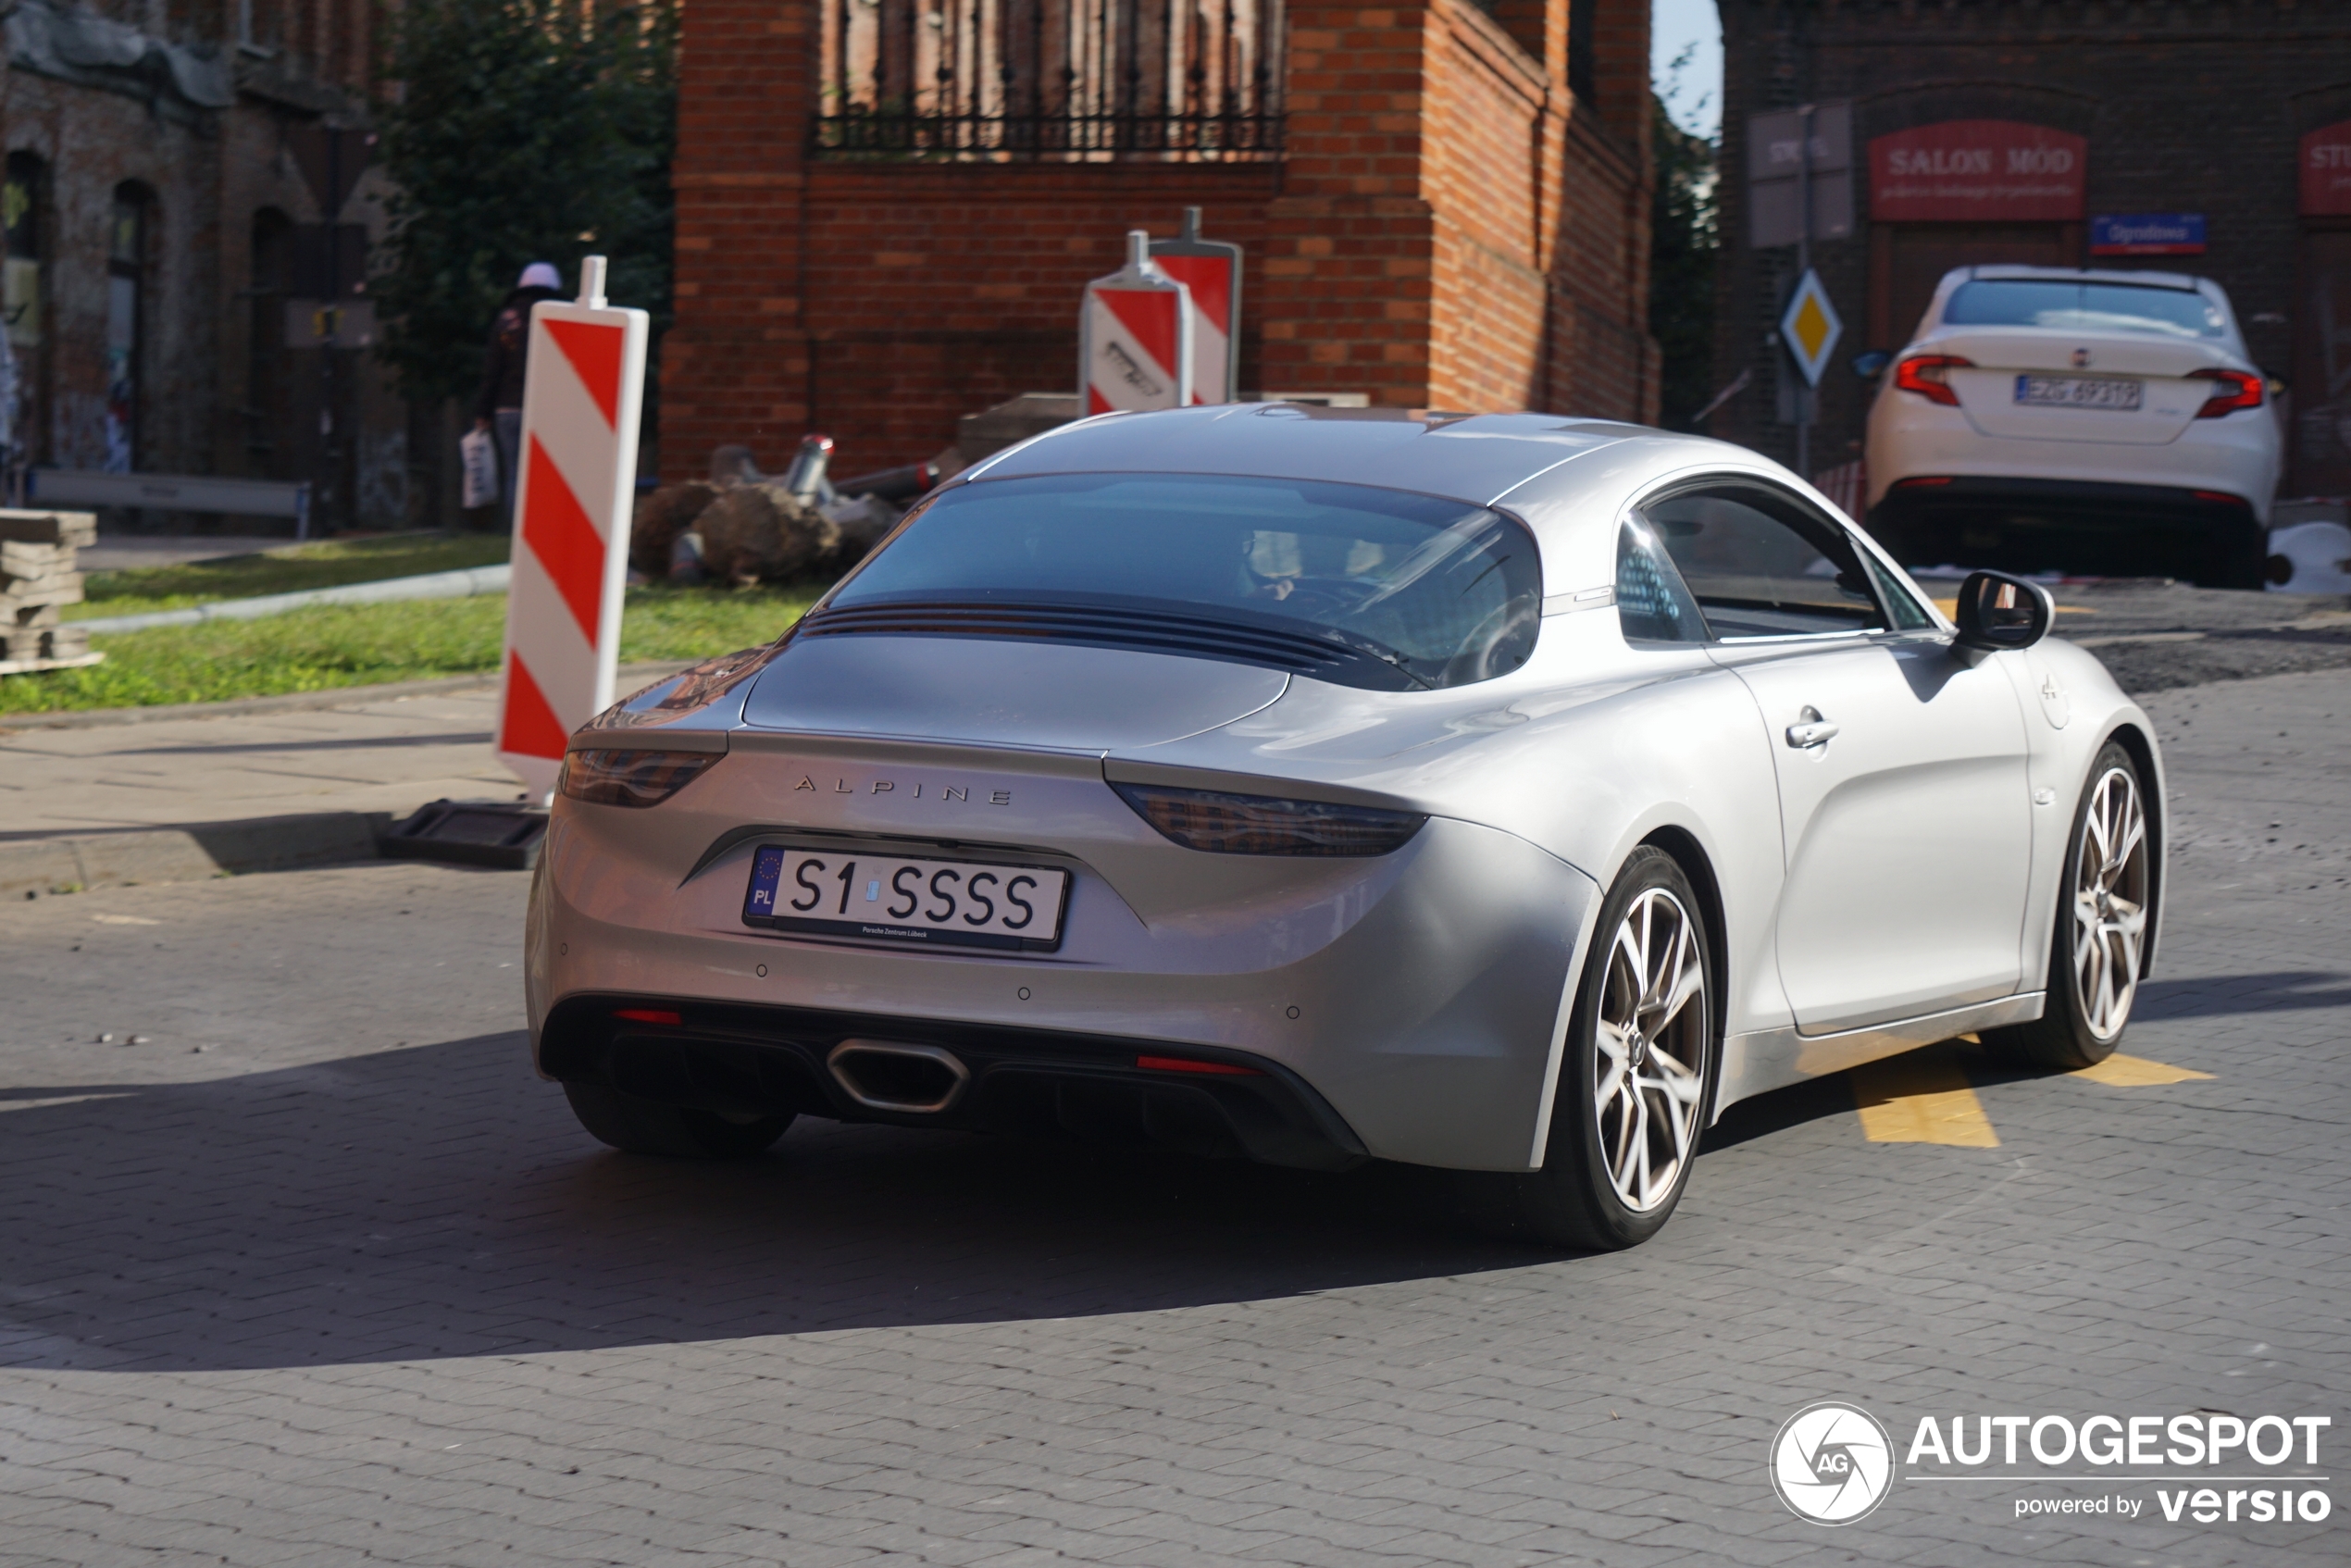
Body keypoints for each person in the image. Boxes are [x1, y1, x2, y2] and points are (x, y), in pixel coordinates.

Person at [473, 262, 565, 528]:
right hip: (544, 407)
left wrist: (482, 412)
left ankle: (515, 529)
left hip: (506, 410)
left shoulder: (506, 321)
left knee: (514, 471)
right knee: (543, 471)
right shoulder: (557, 318)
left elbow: (492, 370)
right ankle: (540, 525)